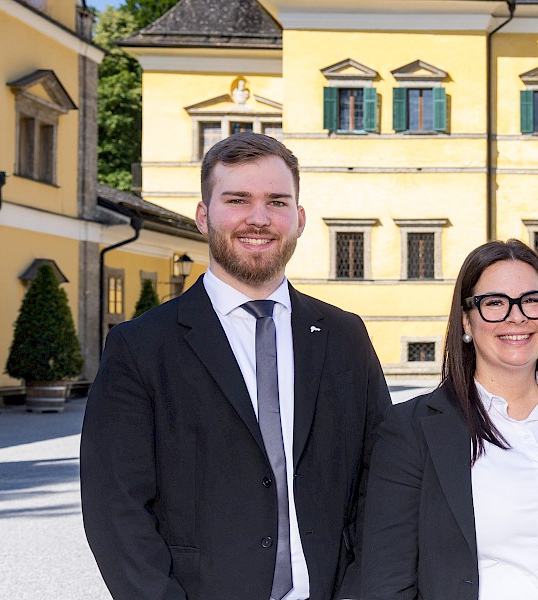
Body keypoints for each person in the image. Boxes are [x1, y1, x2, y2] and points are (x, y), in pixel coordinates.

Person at [82, 132, 391, 599]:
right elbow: (116, 508)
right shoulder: (140, 348)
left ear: (300, 219)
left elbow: (382, 478)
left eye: (277, 202)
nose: (260, 218)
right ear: (204, 217)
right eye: (238, 199)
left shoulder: (345, 337)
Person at [360, 240, 538, 599]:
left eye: (532, 300)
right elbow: (386, 581)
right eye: (494, 303)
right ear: (466, 321)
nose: (516, 316)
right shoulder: (412, 430)